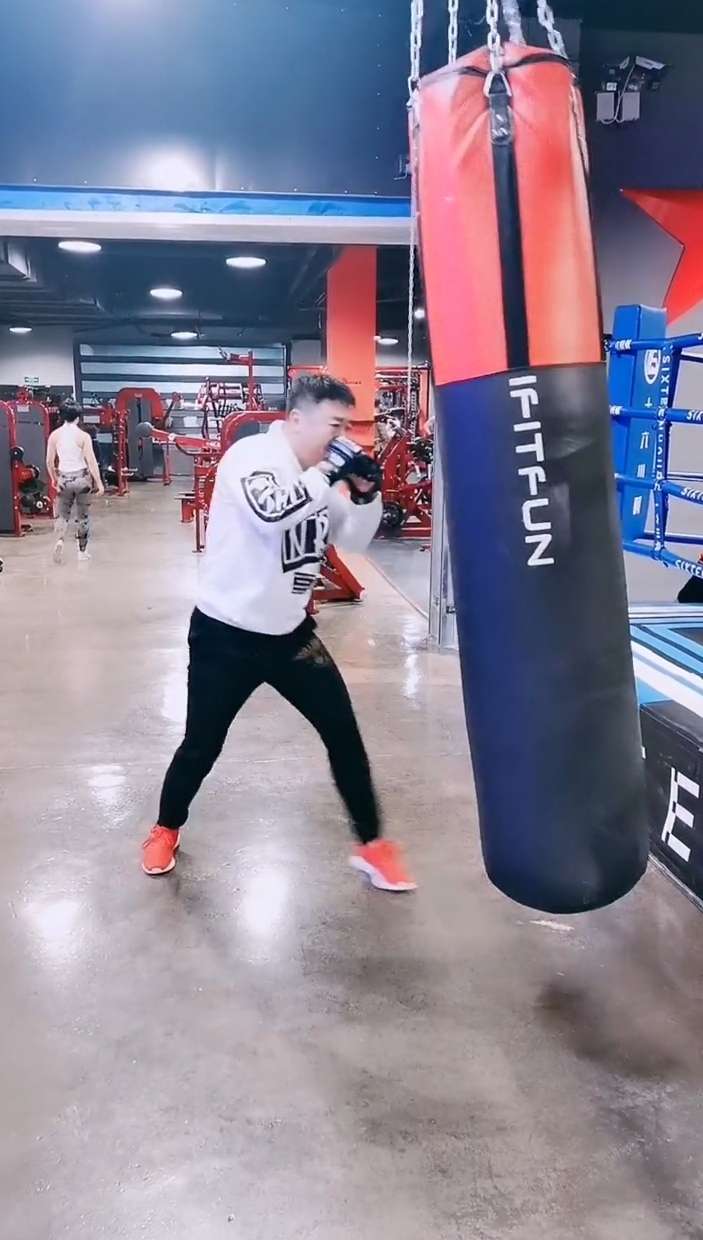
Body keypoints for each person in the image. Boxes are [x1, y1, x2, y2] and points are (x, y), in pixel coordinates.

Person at [142, 374, 416, 892]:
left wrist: (366, 495)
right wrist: (332, 470)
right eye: (334, 425)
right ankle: (165, 827)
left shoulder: (319, 477)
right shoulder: (250, 459)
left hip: (290, 636)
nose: (341, 438)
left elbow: (354, 539)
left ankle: (373, 846)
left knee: (343, 734)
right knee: (202, 744)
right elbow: (272, 513)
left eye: (346, 427)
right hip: (225, 635)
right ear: (297, 419)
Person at [46, 400, 104, 563]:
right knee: (82, 516)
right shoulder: (83, 436)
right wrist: (99, 483)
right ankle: (82, 552)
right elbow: (91, 461)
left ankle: (59, 540)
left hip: (64, 478)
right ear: (78, 417)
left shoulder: (55, 436)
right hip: (82, 479)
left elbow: (49, 461)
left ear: (62, 416)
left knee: (62, 515)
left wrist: (54, 478)